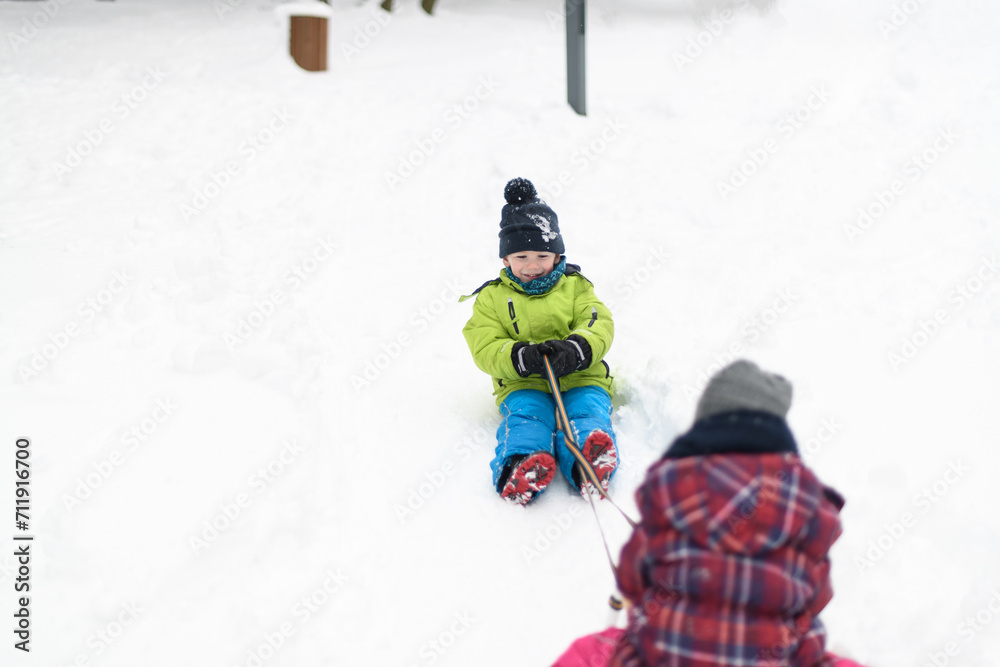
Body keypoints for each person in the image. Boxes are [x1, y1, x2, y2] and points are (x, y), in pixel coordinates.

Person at [606, 359, 855, 666]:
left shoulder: (669, 492)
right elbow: (817, 596)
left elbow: (632, 579)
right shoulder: (807, 507)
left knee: (599, 650)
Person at [461, 177, 619, 505]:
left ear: (558, 254)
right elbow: (484, 343)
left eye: (542, 255)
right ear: (505, 260)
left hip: (581, 376)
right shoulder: (491, 298)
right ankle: (522, 463)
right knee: (530, 418)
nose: (532, 265)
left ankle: (588, 461)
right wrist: (520, 356)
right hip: (524, 383)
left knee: (586, 413)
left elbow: (597, 322)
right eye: (521, 257)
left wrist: (576, 349)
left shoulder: (576, 287)